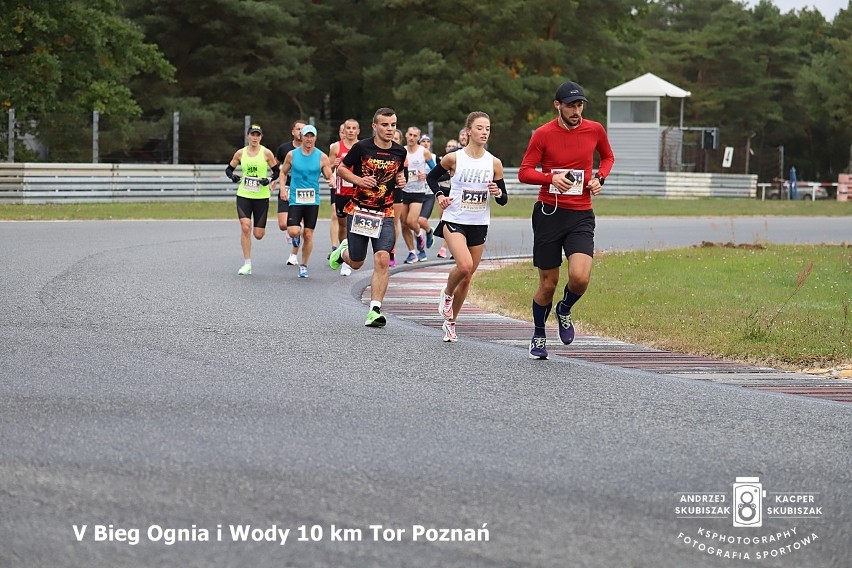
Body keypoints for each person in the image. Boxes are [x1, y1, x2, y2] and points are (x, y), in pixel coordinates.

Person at [518, 81, 615, 360]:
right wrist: (551, 178)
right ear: (557, 105)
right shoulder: (543, 134)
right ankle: (538, 334)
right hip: (549, 213)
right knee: (548, 283)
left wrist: (600, 178)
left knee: (580, 277)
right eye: (571, 105)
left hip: (581, 213)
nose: (576, 110)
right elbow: (525, 172)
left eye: (580, 104)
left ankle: (564, 308)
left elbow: (607, 157)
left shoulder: (594, 129)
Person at [427, 111, 507, 342]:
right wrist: (440, 195)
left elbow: (503, 199)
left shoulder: (494, 163)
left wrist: (498, 192)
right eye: (480, 128)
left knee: (468, 277)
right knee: (464, 266)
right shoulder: (454, 158)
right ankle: (447, 293)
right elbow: (432, 178)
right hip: (454, 219)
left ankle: (451, 323)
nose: (484, 132)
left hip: (478, 223)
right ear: (468, 131)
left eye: (488, 128)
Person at [329, 107, 408, 327]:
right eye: (385, 125)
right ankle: (342, 252)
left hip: (385, 212)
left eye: (393, 125)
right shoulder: (361, 147)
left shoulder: (400, 151)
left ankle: (374, 310)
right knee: (356, 262)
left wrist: (402, 181)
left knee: (382, 258)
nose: (390, 129)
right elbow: (342, 169)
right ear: (375, 126)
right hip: (360, 210)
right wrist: (358, 180)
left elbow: (401, 173)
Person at [278, 124, 333, 278]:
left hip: (312, 200)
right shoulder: (292, 155)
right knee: (293, 231)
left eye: (311, 136)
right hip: (296, 198)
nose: (309, 139)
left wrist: (332, 180)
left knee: (308, 234)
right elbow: (283, 173)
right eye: (306, 136)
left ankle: (303, 265)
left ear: (315, 138)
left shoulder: (321, 156)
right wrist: (283, 189)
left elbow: (329, 174)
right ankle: (295, 238)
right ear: (301, 137)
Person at [225, 123, 280, 275]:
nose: (255, 138)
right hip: (244, 194)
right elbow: (229, 169)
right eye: (252, 134)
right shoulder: (240, 153)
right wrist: (233, 176)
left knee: (258, 234)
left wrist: (268, 180)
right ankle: (247, 263)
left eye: (258, 135)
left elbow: (276, 171)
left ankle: (258, 233)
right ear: (248, 136)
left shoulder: (266, 153)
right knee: (245, 227)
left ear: (261, 137)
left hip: (261, 196)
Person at [328, 119, 361, 276]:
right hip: (341, 192)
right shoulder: (336, 147)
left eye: (354, 128)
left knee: (353, 225)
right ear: (344, 130)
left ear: (358, 131)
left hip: (357, 192)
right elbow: (327, 167)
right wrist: (333, 166)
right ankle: (343, 250)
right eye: (348, 128)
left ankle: (349, 259)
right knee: (342, 225)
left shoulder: (362, 147)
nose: (350, 131)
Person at [400, 126, 436, 264]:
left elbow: (436, 170)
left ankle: (420, 234)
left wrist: (425, 175)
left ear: (418, 138)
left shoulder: (424, 152)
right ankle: (412, 253)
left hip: (418, 192)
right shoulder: (401, 151)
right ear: (406, 135)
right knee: (403, 224)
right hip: (404, 190)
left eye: (415, 136)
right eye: (410, 135)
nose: (412, 138)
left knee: (411, 221)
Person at [275, 120, 306, 266]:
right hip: (286, 187)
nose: (300, 132)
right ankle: (291, 231)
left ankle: (293, 255)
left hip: (303, 190)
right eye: (298, 129)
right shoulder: (284, 149)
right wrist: (275, 179)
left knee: (297, 227)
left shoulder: (310, 149)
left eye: (303, 130)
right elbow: (276, 166)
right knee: (283, 225)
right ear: (293, 132)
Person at [436, 138, 460, 259]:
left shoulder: (460, 160)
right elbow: (435, 176)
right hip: (444, 191)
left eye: (453, 146)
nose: (450, 148)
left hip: (455, 194)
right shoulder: (442, 160)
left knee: (452, 221)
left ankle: (446, 248)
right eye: (448, 146)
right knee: (443, 220)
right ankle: (450, 247)